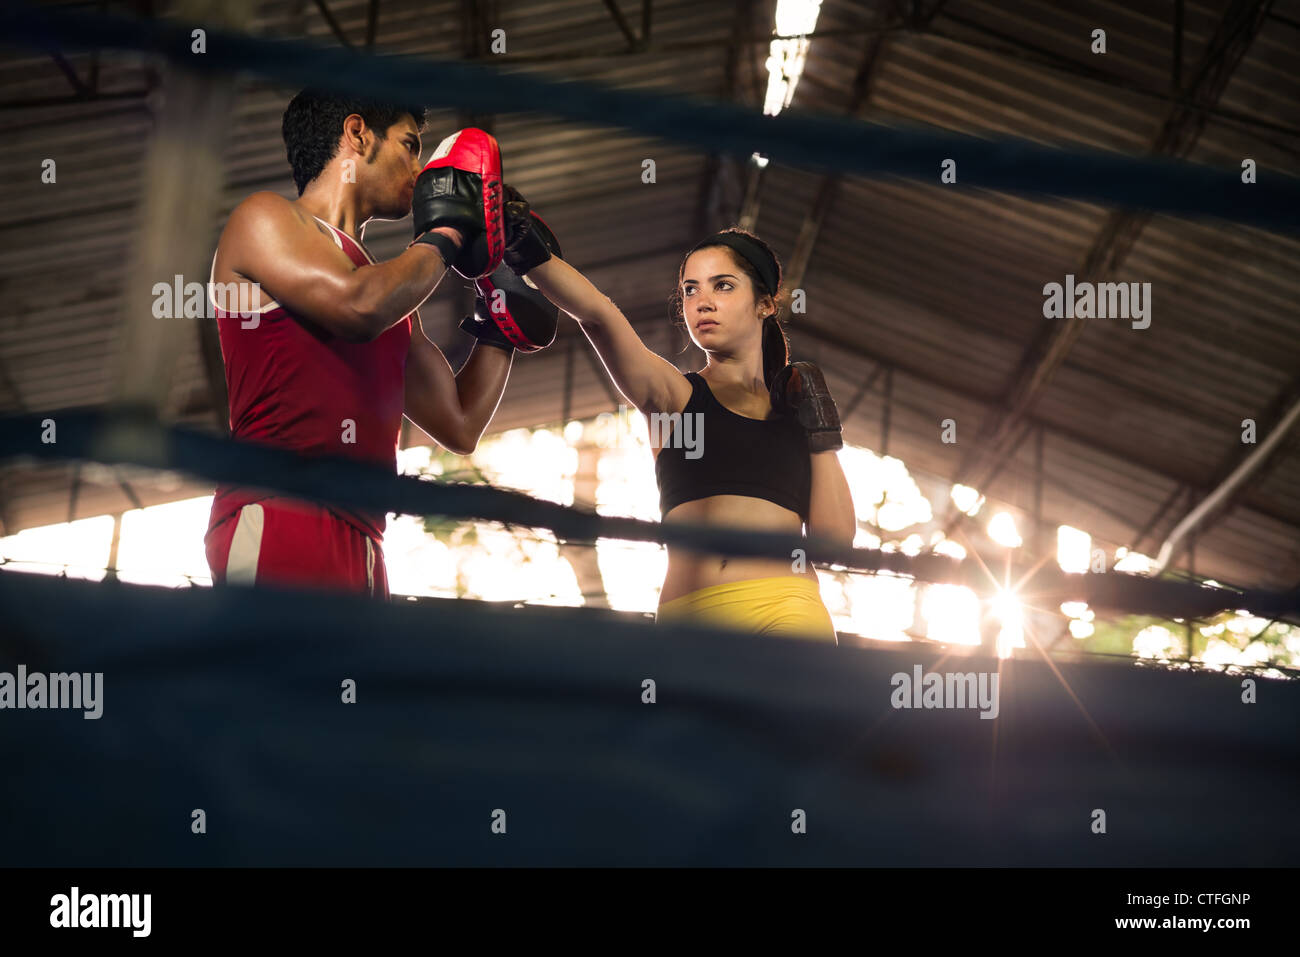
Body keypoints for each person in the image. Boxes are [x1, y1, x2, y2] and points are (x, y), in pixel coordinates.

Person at [203, 91, 557, 598]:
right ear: (357, 133)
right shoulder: (265, 219)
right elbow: (357, 308)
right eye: (410, 146)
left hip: (366, 543)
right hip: (281, 512)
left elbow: (460, 423)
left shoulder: (385, 293)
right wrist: (447, 232)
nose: (419, 169)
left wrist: (503, 308)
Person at [497, 191, 857, 641]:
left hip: (787, 611)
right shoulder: (675, 398)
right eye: (691, 289)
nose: (702, 302)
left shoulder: (795, 414)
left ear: (766, 303)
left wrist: (822, 430)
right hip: (690, 623)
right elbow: (598, 315)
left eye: (722, 285)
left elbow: (835, 544)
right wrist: (519, 244)